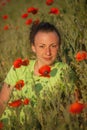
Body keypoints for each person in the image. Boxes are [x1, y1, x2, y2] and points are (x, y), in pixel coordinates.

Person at [0, 21, 76, 129]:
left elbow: (74, 106)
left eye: (53, 46)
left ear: (59, 46)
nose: (48, 52)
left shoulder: (63, 71)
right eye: (42, 46)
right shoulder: (20, 67)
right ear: (33, 47)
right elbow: (2, 103)